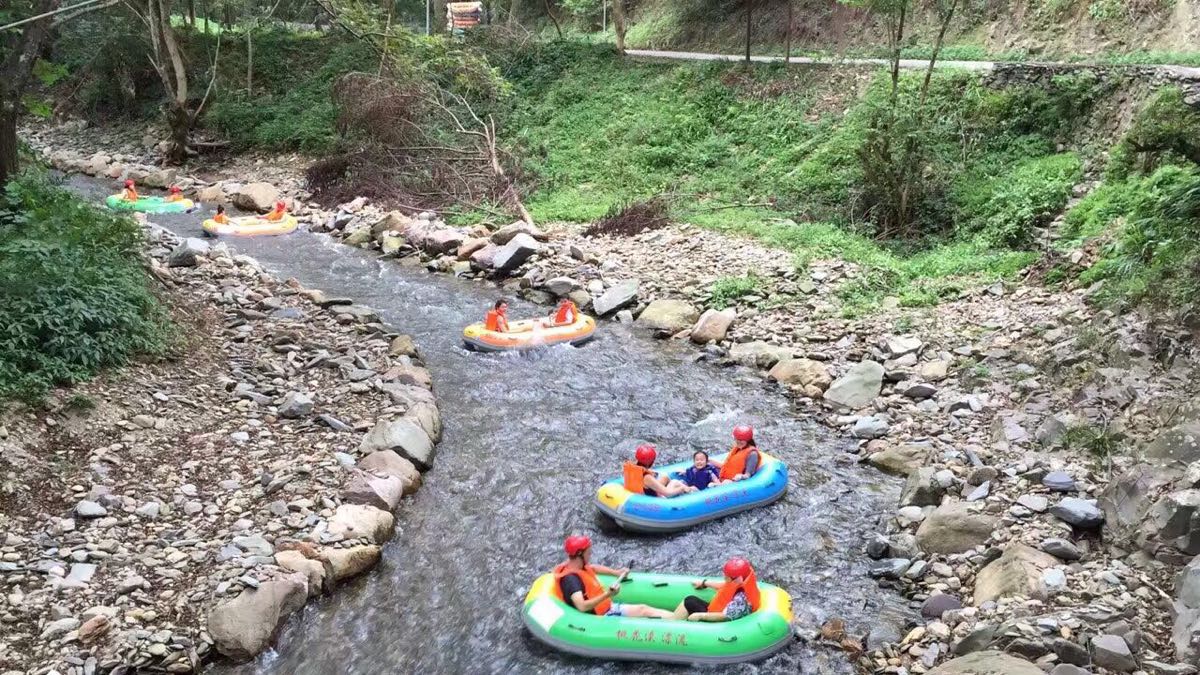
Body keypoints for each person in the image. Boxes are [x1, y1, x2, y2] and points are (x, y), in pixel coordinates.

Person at [553, 535, 674, 619]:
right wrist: (607, 594)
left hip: (606, 607)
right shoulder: (571, 580)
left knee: (644, 608)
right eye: (588, 553)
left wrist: (615, 572)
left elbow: (593, 568)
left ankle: (675, 618)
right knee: (643, 610)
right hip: (602, 615)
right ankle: (678, 620)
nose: (590, 555)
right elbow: (582, 606)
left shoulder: (574, 565)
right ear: (580, 554)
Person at [672, 557, 761, 622]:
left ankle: (672, 624)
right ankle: (673, 618)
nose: (724, 578)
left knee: (689, 602)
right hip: (719, 609)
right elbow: (726, 586)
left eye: (727, 577)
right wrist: (704, 583)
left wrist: (701, 616)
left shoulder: (741, 599)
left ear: (737, 579)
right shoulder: (742, 581)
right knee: (690, 601)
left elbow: (725, 616)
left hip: (720, 622)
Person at [623, 444, 694, 498]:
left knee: (665, 477)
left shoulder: (631, 467)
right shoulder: (647, 478)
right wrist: (682, 488)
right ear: (651, 462)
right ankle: (692, 491)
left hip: (639, 493)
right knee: (674, 482)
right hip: (652, 501)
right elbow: (668, 493)